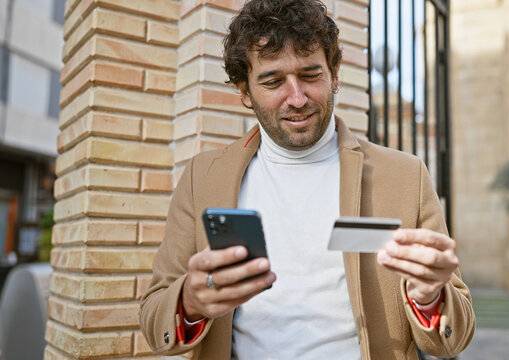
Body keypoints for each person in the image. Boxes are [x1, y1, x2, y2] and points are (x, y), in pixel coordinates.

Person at [140, 0, 475, 359]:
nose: (297, 98)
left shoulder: (406, 175)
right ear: (244, 91)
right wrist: (190, 301)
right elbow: (153, 316)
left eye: (310, 75)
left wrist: (430, 296)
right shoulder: (202, 177)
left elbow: (452, 339)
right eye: (272, 81)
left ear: (334, 74)